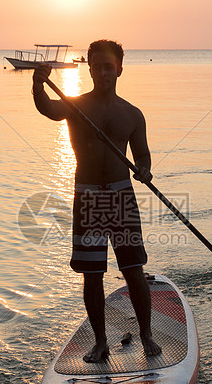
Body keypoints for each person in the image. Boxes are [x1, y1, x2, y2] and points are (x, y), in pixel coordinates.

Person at [32, 39, 162, 363]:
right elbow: (47, 108)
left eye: (109, 66)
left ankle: (146, 336)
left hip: (121, 197)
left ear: (119, 69)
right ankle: (100, 342)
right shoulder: (74, 105)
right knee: (93, 275)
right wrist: (37, 85)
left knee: (134, 269)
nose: (103, 72)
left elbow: (142, 154)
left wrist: (144, 170)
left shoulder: (132, 114)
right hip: (88, 198)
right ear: (89, 68)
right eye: (97, 66)